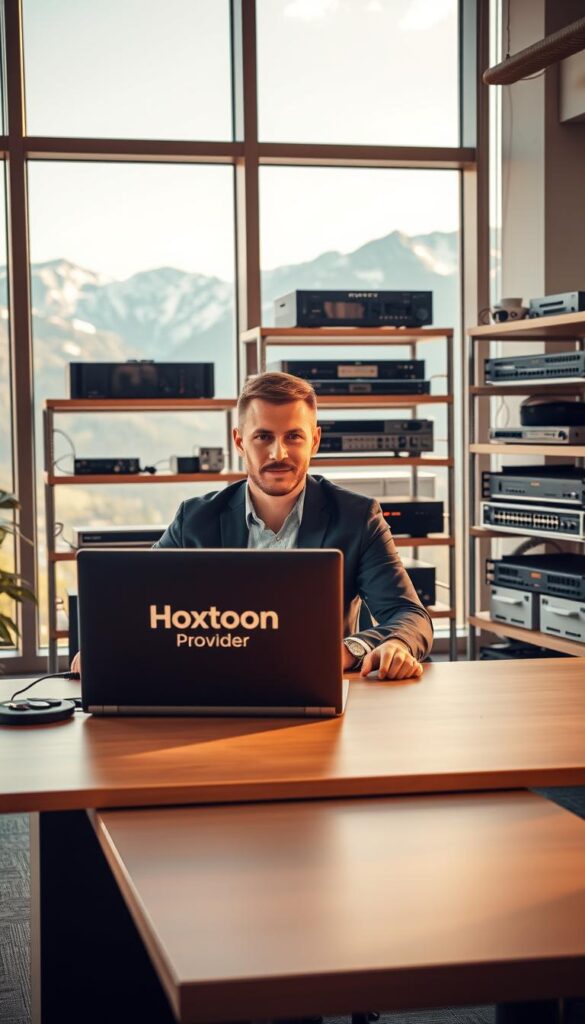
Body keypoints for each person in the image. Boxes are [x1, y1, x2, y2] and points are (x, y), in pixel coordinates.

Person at [72, 371, 432, 679]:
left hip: (315, 693)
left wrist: (372, 647)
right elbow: (135, 605)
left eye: (293, 436)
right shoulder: (195, 520)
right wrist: (104, 649)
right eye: (263, 437)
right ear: (240, 441)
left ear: (315, 441)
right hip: (211, 690)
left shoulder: (357, 517)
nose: (279, 454)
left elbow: (410, 616)